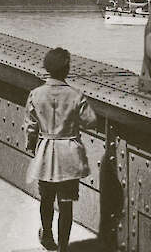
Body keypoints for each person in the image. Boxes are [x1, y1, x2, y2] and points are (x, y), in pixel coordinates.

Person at [24, 48, 97, 251]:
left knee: (46, 199)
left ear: (47, 68)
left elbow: (30, 126)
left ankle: (47, 235)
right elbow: (90, 121)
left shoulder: (36, 94)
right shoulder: (76, 95)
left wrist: (31, 145)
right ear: (67, 69)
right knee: (66, 203)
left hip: (46, 152)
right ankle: (64, 247)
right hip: (69, 155)